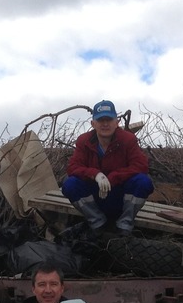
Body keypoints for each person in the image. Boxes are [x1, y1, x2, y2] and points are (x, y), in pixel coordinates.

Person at [60, 99, 154, 235]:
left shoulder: (128, 140)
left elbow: (140, 166)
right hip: (95, 197)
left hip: (119, 197)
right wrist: (96, 174)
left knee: (143, 182)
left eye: (109, 120)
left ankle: (125, 224)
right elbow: (73, 167)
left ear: (117, 123)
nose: (105, 124)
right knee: (69, 184)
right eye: (100, 120)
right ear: (93, 124)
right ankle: (97, 222)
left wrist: (113, 177)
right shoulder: (84, 141)